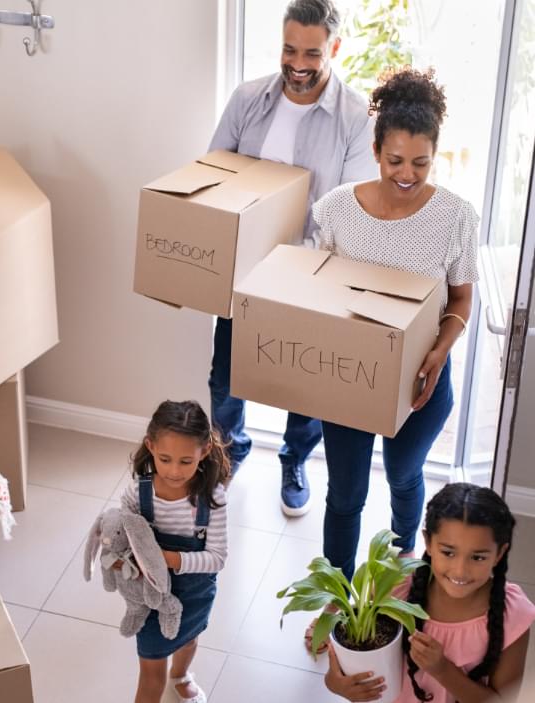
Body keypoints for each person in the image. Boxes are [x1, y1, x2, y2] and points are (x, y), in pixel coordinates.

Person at [208, 0, 377, 517]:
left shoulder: (355, 116)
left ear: (335, 48)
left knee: (304, 384)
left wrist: (297, 264)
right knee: (226, 374)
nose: (297, 63)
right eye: (288, 49)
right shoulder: (247, 99)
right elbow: (213, 173)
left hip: (310, 273)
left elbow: (347, 210)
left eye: (311, 52)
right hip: (242, 269)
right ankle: (228, 451)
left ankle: (294, 458)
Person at [312, 66, 479, 582]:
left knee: (405, 475)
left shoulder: (456, 217)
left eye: (421, 163)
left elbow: (461, 299)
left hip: (422, 379)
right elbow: (315, 289)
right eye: (395, 161)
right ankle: (333, 598)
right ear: (376, 149)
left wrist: (440, 351)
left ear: (435, 156)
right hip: (349, 377)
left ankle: (404, 561)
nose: (407, 174)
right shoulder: (337, 209)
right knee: (345, 494)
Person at [325, 483, 535, 702]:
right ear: (428, 542)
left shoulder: (512, 615)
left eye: (478, 557)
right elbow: (340, 672)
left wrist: (442, 670)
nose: (460, 570)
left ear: (500, 553)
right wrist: (337, 684)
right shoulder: (393, 587)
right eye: (448, 552)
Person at [118, 400, 231, 703]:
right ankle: (167, 680)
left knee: (189, 638)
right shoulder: (137, 492)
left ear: (204, 451)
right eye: (165, 459)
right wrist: (124, 561)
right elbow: (121, 534)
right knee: (151, 672)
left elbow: (217, 557)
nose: (173, 471)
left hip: (194, 592)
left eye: (185, 461)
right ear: (150, 446)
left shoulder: (212, 498)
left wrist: (167, 560)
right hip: (150, 596)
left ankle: (180, 676)